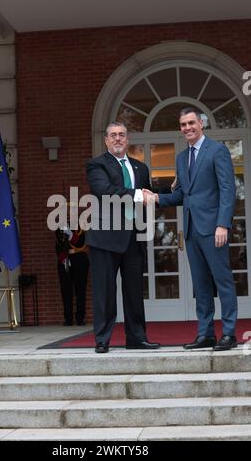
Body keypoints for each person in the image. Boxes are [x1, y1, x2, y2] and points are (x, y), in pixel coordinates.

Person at [145, 107, 238, 351]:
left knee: (223, 281)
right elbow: (181, 196)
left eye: (191, 123)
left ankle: (229, 333)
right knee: (201, 285)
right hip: (191, 231)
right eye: (183, 125)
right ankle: (205, 334)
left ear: (201, 124)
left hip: (213, 229)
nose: (187, 128)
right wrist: (156, 198)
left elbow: (228, 190)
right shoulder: (181, 158)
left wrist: (222, 224)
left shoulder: (217, 151)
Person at [86, 121, 160, 353]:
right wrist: (139, 194)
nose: (117, 139)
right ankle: (102, 340)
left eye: (121, 135)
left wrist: (167, 192)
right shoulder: (97, 165)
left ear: (127, 140)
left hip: (134, 238)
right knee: (104, 292)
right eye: (113, 135)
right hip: (105, 239)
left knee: (135, 291)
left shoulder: (141, 168)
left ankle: (137, 338)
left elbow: (147, 199)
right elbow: (105, 191)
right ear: (106, 140)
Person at [55, 220, 89, 326]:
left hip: (79, 259)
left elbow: (81, 243)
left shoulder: (81, 227)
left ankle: (80, 318)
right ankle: (68, 318)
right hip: (65, 259)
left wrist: (70, 234)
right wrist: (63, 257)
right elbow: (58, 245)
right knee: (66, 291)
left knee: (80, 290)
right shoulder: (60, 227)